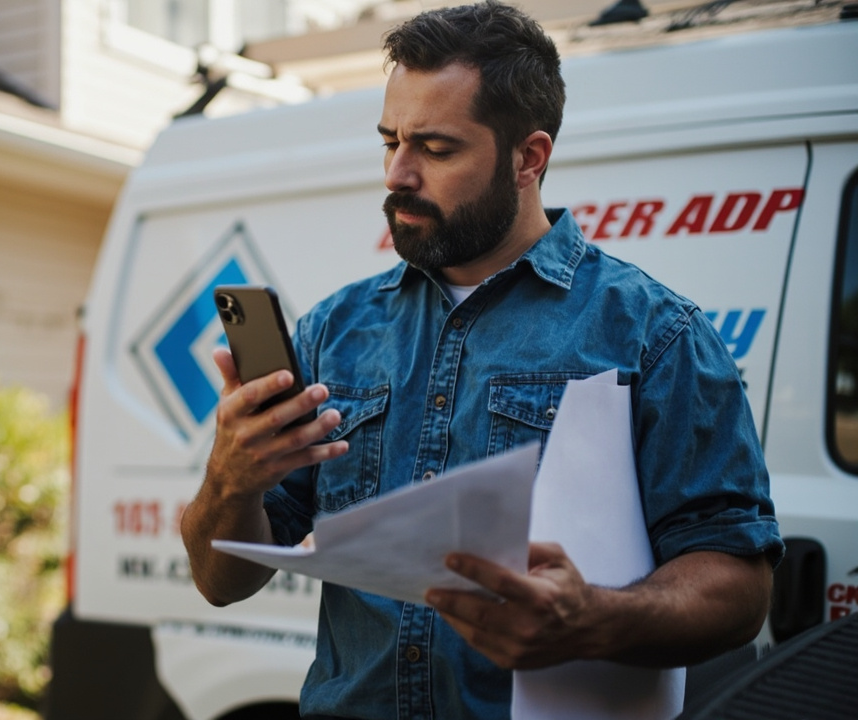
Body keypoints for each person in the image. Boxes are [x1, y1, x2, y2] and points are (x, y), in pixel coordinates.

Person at [179, 2, 785, 718]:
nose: (398, 174)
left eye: (435, 149)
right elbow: (222, 581)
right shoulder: (332, 329)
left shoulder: (655, 332)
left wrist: (593, 616)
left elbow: (739, 587)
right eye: (389, 141)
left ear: (529, 158)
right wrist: (231, 478)